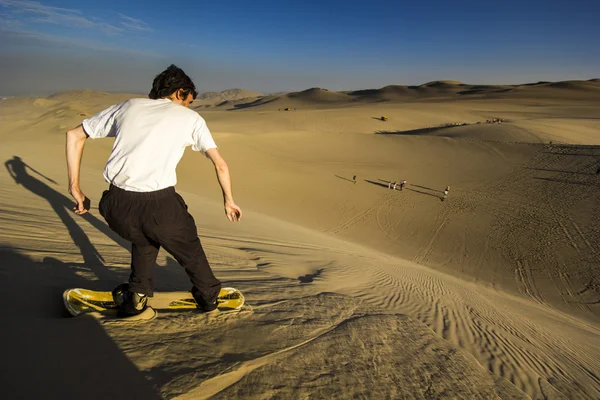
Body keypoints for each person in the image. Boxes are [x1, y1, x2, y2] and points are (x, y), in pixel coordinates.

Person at [65, 64, 242, 315]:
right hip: (160, 207)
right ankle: (209, 296)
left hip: (116, 206)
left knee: (145, 239)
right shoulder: (191, 119)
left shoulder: (129, 106)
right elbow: (220, 165)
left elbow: (74, 135)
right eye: (189, 101)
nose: (188, 107)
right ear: (180, 92)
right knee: (189, 250)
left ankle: (137, 294)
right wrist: (229, 200)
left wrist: (75, 188)